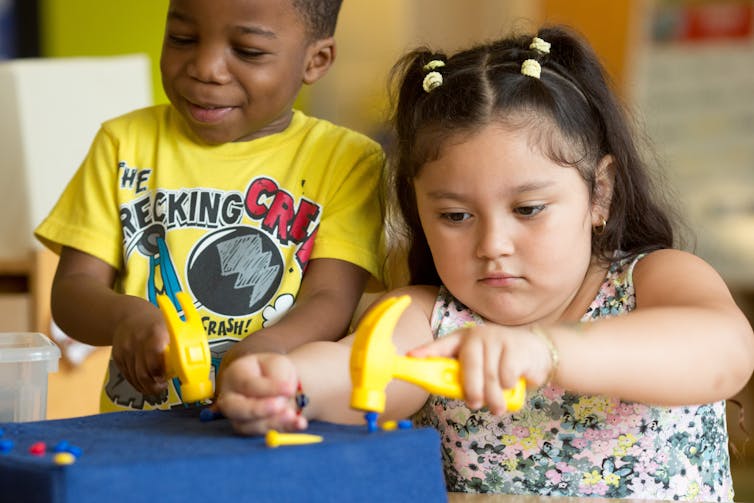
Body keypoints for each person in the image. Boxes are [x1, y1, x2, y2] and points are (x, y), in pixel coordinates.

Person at [213, 25, 754, 500]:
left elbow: (723, 352)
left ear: (600, 194)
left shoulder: (654, 280)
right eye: (454, 215)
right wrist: (282, 381)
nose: (493, 243)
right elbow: (359, 373)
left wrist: (543, 350)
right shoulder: (426, 318)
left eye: (528, 209)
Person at [34, 0, 386, 413]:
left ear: (316, 60)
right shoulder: (123, 143)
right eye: (182, 39)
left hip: (268, 418)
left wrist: (269, 346)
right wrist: (123, 316)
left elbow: (331, 298)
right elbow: (72, 292)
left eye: (248, 51)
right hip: (136, 434)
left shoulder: (347, 160)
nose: (206, 68)